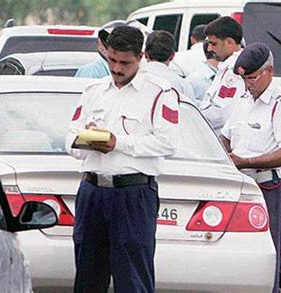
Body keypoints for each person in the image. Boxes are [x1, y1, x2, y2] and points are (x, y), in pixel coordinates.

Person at [65, 25, 180, 293]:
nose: (116, 68)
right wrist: (90, 141)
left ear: (140, 57)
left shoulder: (160, 93)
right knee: (87, 276)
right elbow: (70, 138)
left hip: (133, 194)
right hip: (92, 192)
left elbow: (167, 143)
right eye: (112, 60)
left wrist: (118, 143)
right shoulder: (93, 91)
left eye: (124, 62)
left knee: (132, 278)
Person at [220, 42, 281, 293]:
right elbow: (226, 137)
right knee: (235, 256)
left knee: (267, 257)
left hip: (267, 187)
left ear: (269, 71)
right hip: (238, 187)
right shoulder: (243, 100)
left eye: (253, 78)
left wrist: (246, 162)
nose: (248, 84)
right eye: (244, 79)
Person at [200, 16, 244, 134]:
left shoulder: (235, 71)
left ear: (229, 42)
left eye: (213, 44)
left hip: (221, 138)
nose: (209, 49)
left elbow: (225, 113)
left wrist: (197, 118)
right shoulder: (226, 67)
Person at [144, 30, 195, 99]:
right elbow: (190, 108)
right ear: (172, 56)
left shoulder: (131, 78)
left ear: (145, 54)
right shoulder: (182, 84)